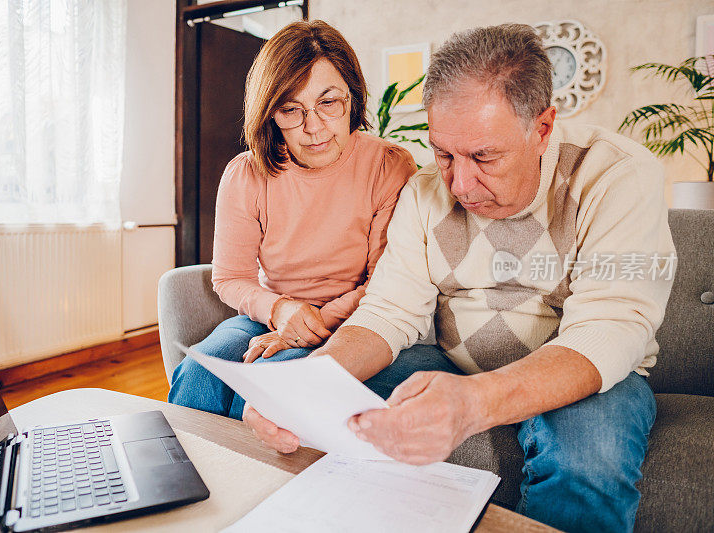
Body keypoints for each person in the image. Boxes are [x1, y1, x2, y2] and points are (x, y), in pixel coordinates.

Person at [244, 24, 676, 533]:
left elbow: (610, 329)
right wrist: (305, 387)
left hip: (585, 372)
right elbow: (388, 313)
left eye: (484, 157)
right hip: (449, 363)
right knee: (297, 374)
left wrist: (475, 403)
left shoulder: (614, 175)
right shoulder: (427, 191)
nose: (460, 184)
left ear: (543, 128)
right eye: (444, 154)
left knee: (589, 463)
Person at [168, 20, 417, 420]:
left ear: (352, 98)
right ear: (270, 114)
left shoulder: (388, 166)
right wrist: (282, 311)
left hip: (358, 321)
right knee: (198, 375)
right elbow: (230, 277)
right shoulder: (246, 173)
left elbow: (384, 283)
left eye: (328, 103)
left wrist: (313, 322)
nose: (313, 127)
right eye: (290, 109)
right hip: (273, 314)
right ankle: (195, 482)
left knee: (270, 385)